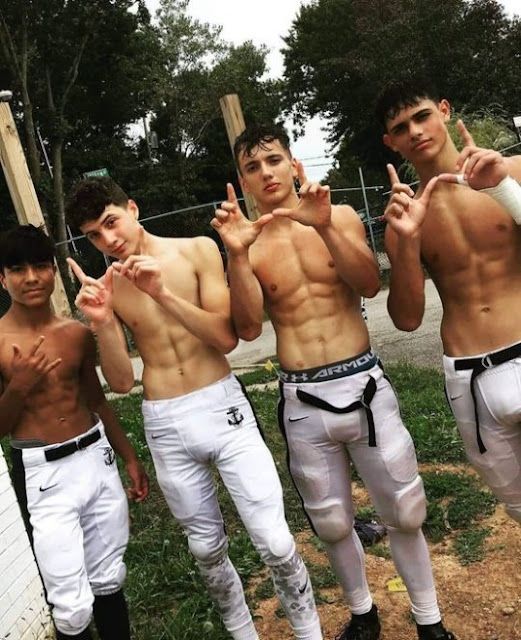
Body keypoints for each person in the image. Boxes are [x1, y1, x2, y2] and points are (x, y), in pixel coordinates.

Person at [210, 123, 455, 640]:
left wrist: (323, 226)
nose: (266, 173)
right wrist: (234, 254)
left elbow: (368, 280)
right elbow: (249, 327)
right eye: (253, 167)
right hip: (302, 398)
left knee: (405, 511)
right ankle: (363, 613)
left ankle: (429, 621)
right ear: (243, 180)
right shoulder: (247, 245)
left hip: (362, 384)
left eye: (274, 160)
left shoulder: (338, 215)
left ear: (293, 164)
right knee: (332, 523)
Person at [64, 177, 323, 640]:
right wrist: (102, 322)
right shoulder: (111, 286)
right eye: (94, 236)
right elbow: (122, 382)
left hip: (221, 405)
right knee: (205, 549)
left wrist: (162, 292)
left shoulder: (197, 250)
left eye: (111, 223)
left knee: (276, 541)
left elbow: (224, 338)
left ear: (133, 207)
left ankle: (309, 633)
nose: (108, 241)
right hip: (164, 420)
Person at [377, 77, 521, 525]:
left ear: (444, 109)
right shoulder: (404, 216)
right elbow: (406, 318)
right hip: (469, 375)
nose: (415, 131)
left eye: (421, 116)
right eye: (401, 128)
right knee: (518, 509)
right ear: (391, 144)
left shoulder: (511, 170)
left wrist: (500, 187)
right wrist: (405, 244)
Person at [0, 224, 148, 640]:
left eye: (41, 266)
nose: (31, 278)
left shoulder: (76, 334)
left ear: (53, 271)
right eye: (17, 269)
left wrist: (129, 457)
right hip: (43, 474)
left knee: (109, 578)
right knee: (71, 605)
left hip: (95, 460)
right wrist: (18, 387)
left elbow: (97, 401)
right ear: (2, 277)